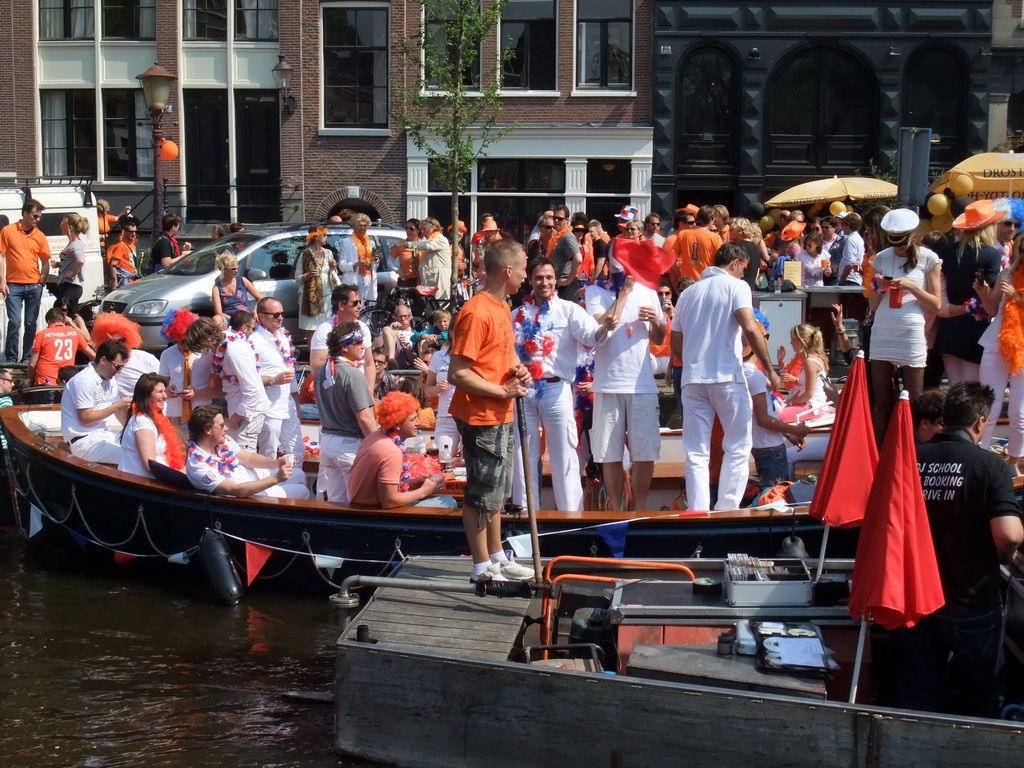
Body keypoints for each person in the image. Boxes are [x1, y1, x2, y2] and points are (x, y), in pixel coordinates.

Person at [900, 382, 1023, 717]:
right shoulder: (990, 467)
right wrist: (1007, 557)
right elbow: (1008, 535)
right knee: (980, 700)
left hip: (916, 598)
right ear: (981, 423)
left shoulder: (908, 460)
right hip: (973, 601)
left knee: (916, 697)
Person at [449, 239, 535, 583]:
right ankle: (481, 566)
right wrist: (502, 390)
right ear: (509, 271)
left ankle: (497, 556)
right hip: (480, 415)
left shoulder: (501, 307)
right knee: (481, 493)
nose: (527, 275)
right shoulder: (476, 310)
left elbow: (504, 353)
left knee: (496, 492)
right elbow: (458, 372)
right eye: (525, 268)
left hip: (500, 412)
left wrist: (518, 369)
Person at [672, 243, 780, 511]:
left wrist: (694, 361)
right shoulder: (736, 286)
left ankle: (697, 510)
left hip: (693, 378)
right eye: (744, 269)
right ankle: (727, 509)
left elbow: (676, 343)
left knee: (696, 451)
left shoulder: (688, 293)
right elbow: (751, 328)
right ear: (735, 263)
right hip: (725, 377)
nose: (744, 275)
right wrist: (770, 367)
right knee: (738, 447)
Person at [511, 257, 617, 512]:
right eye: (538, 277)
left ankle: (570, 517)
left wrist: (607, 327)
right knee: (522, 455)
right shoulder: (516, 315)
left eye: (548, 277)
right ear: (530, 280)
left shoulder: (569, 310)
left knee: (564, 457)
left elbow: (593, 337)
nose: (544, 282)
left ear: (556, 280)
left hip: (556, 389)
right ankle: (525, 518)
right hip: (523, 391)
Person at [585, 261, 665, 512]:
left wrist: (656, 322)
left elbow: (660, 338)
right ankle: (615, 511)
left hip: (642, 385)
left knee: (645, 453)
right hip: (608, 384)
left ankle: (639, 508)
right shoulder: (595, 292)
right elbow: (603, 329)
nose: (624, 271)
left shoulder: (650, 292)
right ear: (608, 266)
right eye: (617, 265)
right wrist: (624, 294)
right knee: (610, 454)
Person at [867, 208, 942, 445]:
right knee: (882, 402)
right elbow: (874, 304)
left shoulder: (928, 258)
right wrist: (878, 287)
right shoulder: (881, 258)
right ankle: (879, 455)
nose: (898, 248)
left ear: (913, 236)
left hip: (911, 331)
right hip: (883, 329)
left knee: (914, 400)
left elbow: (937, 304)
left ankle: (913, 454)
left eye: (902, 242)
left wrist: (911, 286)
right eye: (894, 242)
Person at [347, 391, 454, 509]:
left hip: (361, 508)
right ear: (397, 424)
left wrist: (411, 483)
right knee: (449, 501)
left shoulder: (375, 437)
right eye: (413, 419)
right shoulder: (392, 452)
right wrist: (424, 491)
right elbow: (389, 501)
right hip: (376, 515)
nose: (418, 422)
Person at [937, 199, 1004, 386]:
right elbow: (991, 297)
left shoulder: (946, 251)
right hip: (974, 329)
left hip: (948, 328)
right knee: (970, 392)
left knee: (955, 388)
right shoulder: (991, 254)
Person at [185, 405, 309, 499]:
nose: (226, 428)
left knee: (299, 474)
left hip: (252, 477)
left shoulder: (223, 442)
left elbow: (248, 458)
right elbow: (237, 490)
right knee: (303, 491)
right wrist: (277, 478)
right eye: (222, 425)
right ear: (207, 430)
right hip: (247, 495)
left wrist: (276, 463)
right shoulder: (199, 468)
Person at [315, 322, 377, 502]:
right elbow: (365, 418)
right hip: (349, 446)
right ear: (344, 348)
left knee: (337, 503)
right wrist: (379, 445)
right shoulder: (353, 374)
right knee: (360, 503)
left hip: (328, 443)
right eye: (357, 342)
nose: (363, 346)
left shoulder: (323, 371)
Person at [978, 229, 1024, 471]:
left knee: (1019, 413)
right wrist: (984, 294)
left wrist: (1017, 296)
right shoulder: (1007, 272)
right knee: (989, 406)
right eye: (1022, 247)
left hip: (1023, 349)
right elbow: (993, 310)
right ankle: (980, 460)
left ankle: (1014, 463)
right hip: (997, 341)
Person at [743, 324, 810, 486]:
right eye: (765, 338)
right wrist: (795, 430)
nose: (767, 342)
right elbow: (763, 419)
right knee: (775, 499)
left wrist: (788, 435)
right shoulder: (753, 375)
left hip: (761, 444)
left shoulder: (742, 372)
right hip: (769, 447)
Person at [60, 339, 132, 464]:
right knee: (132, 457)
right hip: (83, 441)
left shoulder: (110, 379)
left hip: (104, 434)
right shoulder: (84, 380)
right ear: (103, 360)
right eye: (117, 366)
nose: (119, 371)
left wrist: (133, 429)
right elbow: (85, 419)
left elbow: (119, 412)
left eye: (122, 367)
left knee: (144, 447)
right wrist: (116, 407)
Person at [252, 297, 304, 462]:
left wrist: (296, 402)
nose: (280, 318)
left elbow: (290, 369)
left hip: (288, 406)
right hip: (268, 408)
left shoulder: (284, 337)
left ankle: (294, 487)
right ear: (261, 317)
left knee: (298, 453)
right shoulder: (253, 341)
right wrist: (274, 380)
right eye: (275, 315)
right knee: (268, 456)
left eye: (282, 314)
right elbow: (248, 379)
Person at [211, 310, 271, 452]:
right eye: (253, 328)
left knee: (245, 461)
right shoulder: (229, 346)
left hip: (246, 414)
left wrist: (235, 418)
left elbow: (253, 390)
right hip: (239, 409)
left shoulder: (236, 349)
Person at [0, 199, 51, 363]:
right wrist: (2, 281)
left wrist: (41, 282)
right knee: (14, 323)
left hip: (33, 285)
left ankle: (27, 358)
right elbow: (1, 256)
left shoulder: (40, 236)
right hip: (13, 284)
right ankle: (11, 358)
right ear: (25, 213)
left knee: (30, 324)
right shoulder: (8, 231)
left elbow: (45, 261)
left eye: (39, 217)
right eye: (35, 216)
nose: (38, 219)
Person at [309, 284, 375, 393]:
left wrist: (370, 390)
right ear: (341, 305)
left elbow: (368, 364)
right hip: (336, 391)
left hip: (360, 389)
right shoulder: (325, 330)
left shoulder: (363, 328)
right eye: (355, 303)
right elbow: (317, 365)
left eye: (360, 302)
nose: (359, 306)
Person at [118, 372, 185, 479]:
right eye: (160, 392)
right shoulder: (142, 422)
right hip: (143, 484)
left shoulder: (156, 419)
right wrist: (183, 473)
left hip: (161, 479)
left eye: (164, 391)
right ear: (146, 395)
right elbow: (150, 466)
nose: (165, 396)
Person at [159, 310, 220, 426]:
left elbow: (220, 390)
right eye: (176, 341)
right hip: (174, 416)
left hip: (202, 416)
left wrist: (196, 393)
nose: (182, 345)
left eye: (184, 340)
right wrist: (167, 390)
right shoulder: (167, 354)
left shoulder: (207, 354)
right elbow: (160, 385)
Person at [91, 313, 161, 401]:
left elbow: (163, 386)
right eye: (112, 342)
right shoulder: (103, 364)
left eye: (121, 341)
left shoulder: (146, 359)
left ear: (128, 339)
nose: (118, 346)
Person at [776, 324, 834, 424]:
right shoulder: (813, 358)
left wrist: (790, 402)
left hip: (812, 406)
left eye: (793, 340)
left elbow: (808, 394)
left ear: (801, 341)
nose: (790, 343)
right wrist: (780, 361)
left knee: (774, 417)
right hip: (808, 403)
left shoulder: (809, 362)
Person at [27, 306, 95, 385]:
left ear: (48, 321)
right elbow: (92, 355)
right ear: (64, 320)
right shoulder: (74, 333)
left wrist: (32, 380)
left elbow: (32, 364)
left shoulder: (42, 334)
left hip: (46, 382)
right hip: (67, 382)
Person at [295, 225, 337, 343]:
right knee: (312, 329)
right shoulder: (305, 254)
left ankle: (326, 356)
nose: (326, 237)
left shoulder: (328, 253)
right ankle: (313, 358)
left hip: (326, 296)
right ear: (316, 236)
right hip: (310, 298)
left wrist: (333, 267)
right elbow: (297, 278)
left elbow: (332, 274)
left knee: (327, 328)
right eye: (324, 235)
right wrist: (307, 275)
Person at [426, 322, 460, 455]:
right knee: (441, 460)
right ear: (451, 333)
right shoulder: (438, 356)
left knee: (468, 466)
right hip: (445, 418)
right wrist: (437, 389)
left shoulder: (474, 357)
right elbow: (427, 388)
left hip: (468, 418)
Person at [670, 204, 723, 284]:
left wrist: (680, 275)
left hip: (687, 282)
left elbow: (671, 258)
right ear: (711, 220)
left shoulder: (683, 234)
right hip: (706, 281)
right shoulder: (715, 237)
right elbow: (721, 262)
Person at [211, 251, 262, 327]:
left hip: (246, 318)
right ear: (224, 269)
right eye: (233, 269)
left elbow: (261, 298)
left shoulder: (243, 280)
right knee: (217, 319)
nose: (236, 271)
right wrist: (235, 320)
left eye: (237, 268)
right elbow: (219, 312)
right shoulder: (217, 288)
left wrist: (255, 309)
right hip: (229, 319)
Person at [337, 213, 378, 304]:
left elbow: (375, 266)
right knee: (354, 306)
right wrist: (355, 264)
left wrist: (376, 260)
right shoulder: (346, 242)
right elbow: (341, 265)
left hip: (369, 280)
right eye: (360, 225)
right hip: (354, 279)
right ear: (354, 227)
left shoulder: (371, 243)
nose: (362, 228)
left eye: (364, 226)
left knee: (368, 309)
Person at [408, 217, 452, 301]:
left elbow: (426, 245)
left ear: (433, 227)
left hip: (437, 281)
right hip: (429, 281)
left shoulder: (440, 239)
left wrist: (406, 244)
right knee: (429, 307)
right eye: (421, 229)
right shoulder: (431, 240)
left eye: (425, 228)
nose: (423, 232)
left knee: (439, 305)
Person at [55, 213, 89, 317]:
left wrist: (73, 273)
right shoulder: (72, 243)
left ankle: (78, 332)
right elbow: (73, 260)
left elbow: (80, 260)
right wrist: (59, 264)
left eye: (63, 224)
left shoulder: (76, 244)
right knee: (72, 314)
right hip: (67, 285)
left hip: (72, 285)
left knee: (65, 311)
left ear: (70, 227)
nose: (60, 226)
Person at [106, 223, 139, 288]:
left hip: (133, 278)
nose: (134, 234)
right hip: (124, 279)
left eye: (135, 231)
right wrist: (115, 282)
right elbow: (113, 265)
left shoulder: (133, 246)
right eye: (131, 231)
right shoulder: (120, 246)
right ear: (125, 232)